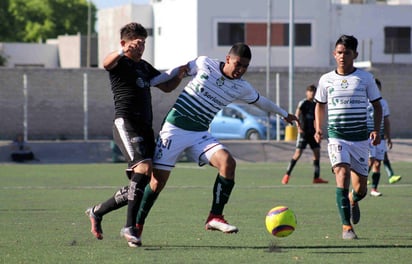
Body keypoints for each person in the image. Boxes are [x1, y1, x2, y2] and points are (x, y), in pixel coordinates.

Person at [132, 43, 299, 244]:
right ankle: (137, 226)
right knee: (157, 182)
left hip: (200, 134)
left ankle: (214, 217)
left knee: (228, 163)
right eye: (238, 64)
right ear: (228, 58)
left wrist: (284, 114)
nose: (240, 70)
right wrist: (150, 81)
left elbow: (261, 101)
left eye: (245, 66)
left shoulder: (241, 86)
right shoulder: (205, 64)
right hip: (174, 129)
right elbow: (179, 70)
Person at [84, 22, 186, 247]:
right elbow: (105, 62)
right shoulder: (119, 62)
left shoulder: (144, 67)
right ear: (124, 43)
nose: (141, 48)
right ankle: (129, 227)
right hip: (126, 123)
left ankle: (97, 211)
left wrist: (179, 75)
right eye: (137, 44)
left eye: (143, 44)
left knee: (144, 182)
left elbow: (166, 86)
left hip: (145, 127)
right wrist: (123, 51)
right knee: (143, 168)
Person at [314, 35, 382, 240]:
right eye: (339, 52)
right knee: (341, 175)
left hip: (360, 139)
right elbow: (320, 104)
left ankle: (353, 200)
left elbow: (377, 105)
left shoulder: (365, 78)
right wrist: (318, 128)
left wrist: (376, 130)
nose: (342, 56)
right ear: (334, 54)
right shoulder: (326, 80)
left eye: (347, 53)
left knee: (360, 188)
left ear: (355, 55)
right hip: (337, 138)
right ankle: (346, 227)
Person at [281, 84, 328, 184]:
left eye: (314, 92)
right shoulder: (303, 103)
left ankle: (316, 177)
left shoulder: (315, 104)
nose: (312, 93)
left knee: (317, 153)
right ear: (307, 92)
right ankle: (287, 175)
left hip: (312, 133)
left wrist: (318, 131)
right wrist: (298, 127)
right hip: (303, 132)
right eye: (310, 91)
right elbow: (297, 115)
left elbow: (316, 119)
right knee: (297, 154)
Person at [367, 78, 401, 197]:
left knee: (378, 163)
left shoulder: (383, 103)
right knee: (371, 160)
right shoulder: (364, 102)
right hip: (368, 137)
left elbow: (386, 120)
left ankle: (374, 189)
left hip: (380, 137)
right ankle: (361, 180)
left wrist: (389, 137)